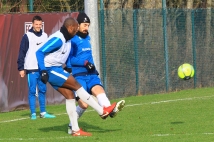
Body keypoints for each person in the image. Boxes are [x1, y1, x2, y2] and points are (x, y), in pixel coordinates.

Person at [36, 17, 118, 136]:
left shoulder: (68, 40)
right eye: (75, 29)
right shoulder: (58, 39)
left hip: (56, 68)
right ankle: (102, 111)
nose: (76, 31)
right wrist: (43, 70)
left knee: (70, 96)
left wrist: (68, 67)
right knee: (76, 85)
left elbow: (66, 57)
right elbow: (39, 52)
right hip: (49, 69)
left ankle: (75, 130)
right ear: (70, 28)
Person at [65, 12, 125, 134]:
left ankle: (109, 110)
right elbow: (70, 60)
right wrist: (85, 63)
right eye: (84, 25)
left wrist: (90, 65)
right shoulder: (73, 40)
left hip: (91, 74)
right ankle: (72, 126)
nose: (86, 28)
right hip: (79, 76)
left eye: (88, 25)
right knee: (83, 105)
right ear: (78, 25)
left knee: (99, 91)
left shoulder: (88, 38)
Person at [17, 15, 56, 120]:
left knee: (43, 90)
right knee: (32, 91)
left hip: (42, 68)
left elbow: (48, 51)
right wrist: (21, 68)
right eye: (36, 24)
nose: (38, 26)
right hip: (31, 68)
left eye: (40, 24)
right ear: (32, 24)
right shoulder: (27, 36)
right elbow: (22, 52)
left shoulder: (45, 35)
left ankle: (43, 112)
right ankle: (33, 113)